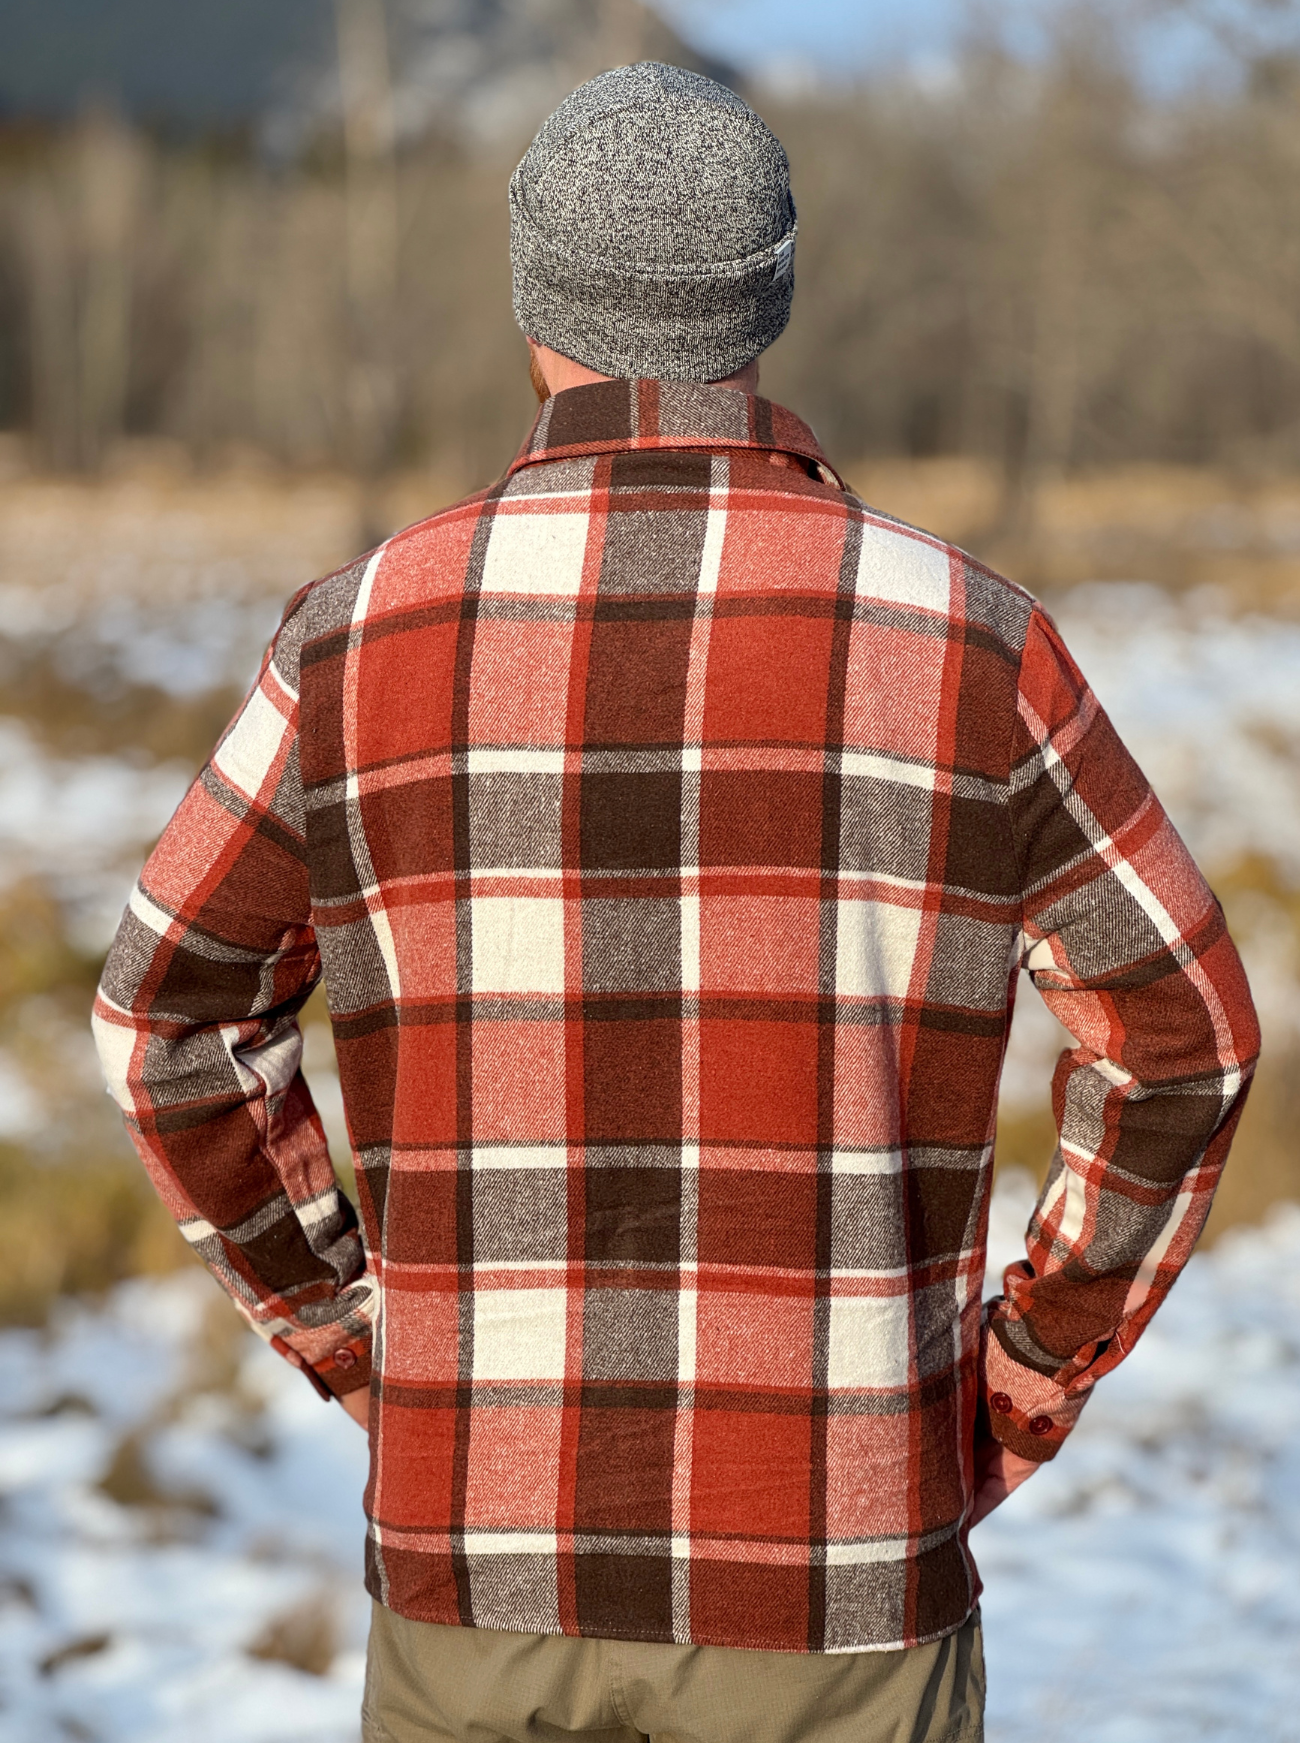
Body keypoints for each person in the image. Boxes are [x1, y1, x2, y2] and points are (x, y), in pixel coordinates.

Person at [93, 61, 1259, 1743]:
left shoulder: (357, 637)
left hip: (474, 1570)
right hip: (840, 1583)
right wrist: (1021, 1375)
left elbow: (163, 1019)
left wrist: (367, 1342)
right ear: (765, 296)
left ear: (528, 296)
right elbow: (1186, 1038)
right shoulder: (971, 644)